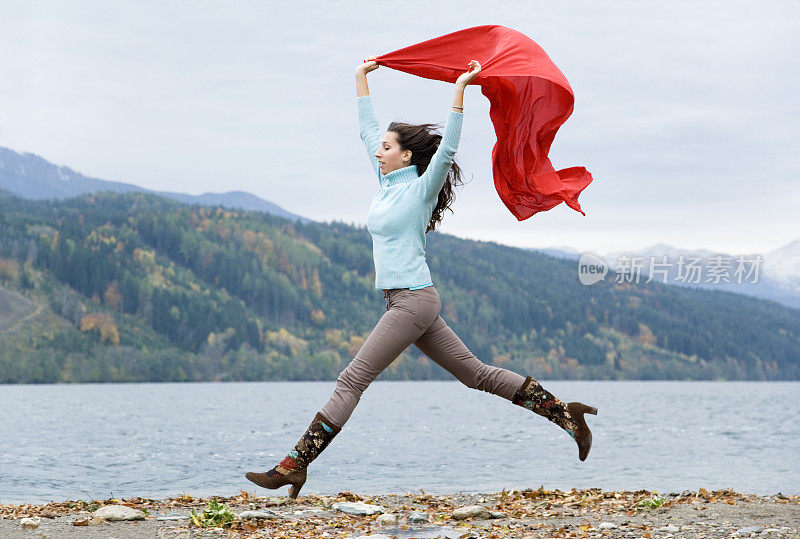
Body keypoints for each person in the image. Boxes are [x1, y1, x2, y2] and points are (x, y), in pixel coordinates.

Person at [245, 56, 598, 499]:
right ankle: (567, 415)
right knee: (477, 374)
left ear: (406, 155)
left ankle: (294, 465)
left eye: (387, 147)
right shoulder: (386, 183)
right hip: (408, 301)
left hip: (412, 300)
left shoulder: (417, 191)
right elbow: (366, 132)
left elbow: (447, 149)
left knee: (351, 381)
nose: (379, 151)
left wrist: (459, 92)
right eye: (380, 148)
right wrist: (359, 79)